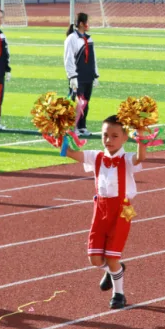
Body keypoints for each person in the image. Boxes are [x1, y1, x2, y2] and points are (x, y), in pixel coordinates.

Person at [62, 114, 148, 309]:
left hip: (121, 210)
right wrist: (60, 133)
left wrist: (141, 135)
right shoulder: (96, 156)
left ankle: (119, 294)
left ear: (125, 137)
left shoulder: (127, 158)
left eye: (115, 136)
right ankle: (115, 271)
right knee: (95, 259)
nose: (109, 140)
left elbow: (141, 157)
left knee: (112, 257)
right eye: (105, 135)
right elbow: (70, 152)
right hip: (100, 209)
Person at [64, 12, 98, 138]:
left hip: (88, 76)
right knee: (77, 103)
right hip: (78, 77)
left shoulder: (89, 39)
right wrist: (72, 76)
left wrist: (95, 75)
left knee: (86, 103)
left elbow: (93, 58)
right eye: (87, 22)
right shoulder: (72, 38)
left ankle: (82, 126)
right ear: (82, 24)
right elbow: (68, 58)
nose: (89, 25)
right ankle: (73, 127)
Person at [0, 9, 9, 131]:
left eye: (1, 17)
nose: (0, 20)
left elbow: (5, 53)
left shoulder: (1, 34)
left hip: (0, 73)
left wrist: (7, 69)